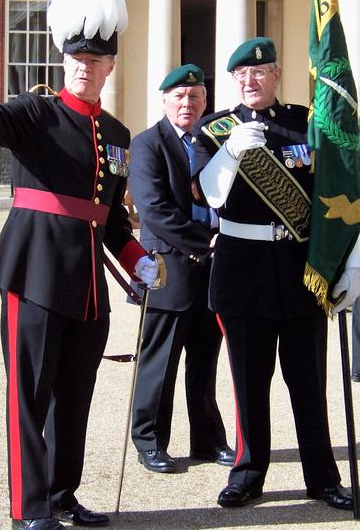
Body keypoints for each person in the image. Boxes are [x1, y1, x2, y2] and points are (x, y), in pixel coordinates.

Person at [0, 0, 160, 530]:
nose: (84, 68)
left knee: (76, 399)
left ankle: (64, 494)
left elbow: (109, 216)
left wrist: (136, 257)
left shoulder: (117, 133)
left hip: (90, 284)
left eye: (95, 59)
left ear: (110, 65)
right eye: (76, 59)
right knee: (30, 396)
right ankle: (29, 508)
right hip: (36, 271)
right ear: (62, 60)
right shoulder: (35, 112)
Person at [191, 36, 360, 510]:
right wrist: (231, 154)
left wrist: (350, 259)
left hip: (300, 270)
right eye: (242, 75)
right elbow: (208, 196)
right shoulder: (214, 130)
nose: (251, 80)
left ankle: (323, 479)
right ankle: (247, 474)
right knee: (249, 383)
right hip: (243, 270)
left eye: (260, 72)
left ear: (277, 75)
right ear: (232, 80)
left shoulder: (305, 124)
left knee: (308, 383)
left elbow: (338, 189)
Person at [128, 64, 234, 474]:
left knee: (204, 360)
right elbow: (153, 211)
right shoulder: (147, 144)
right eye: (179, 97)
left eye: (195, 97)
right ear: (165, 100)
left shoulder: (210, 143)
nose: (187, 104)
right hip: (169, 268)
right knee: (160, 359)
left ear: (205, 102)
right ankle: (150, 441)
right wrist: (203, 241)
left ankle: (207, 440)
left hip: (210, 268)